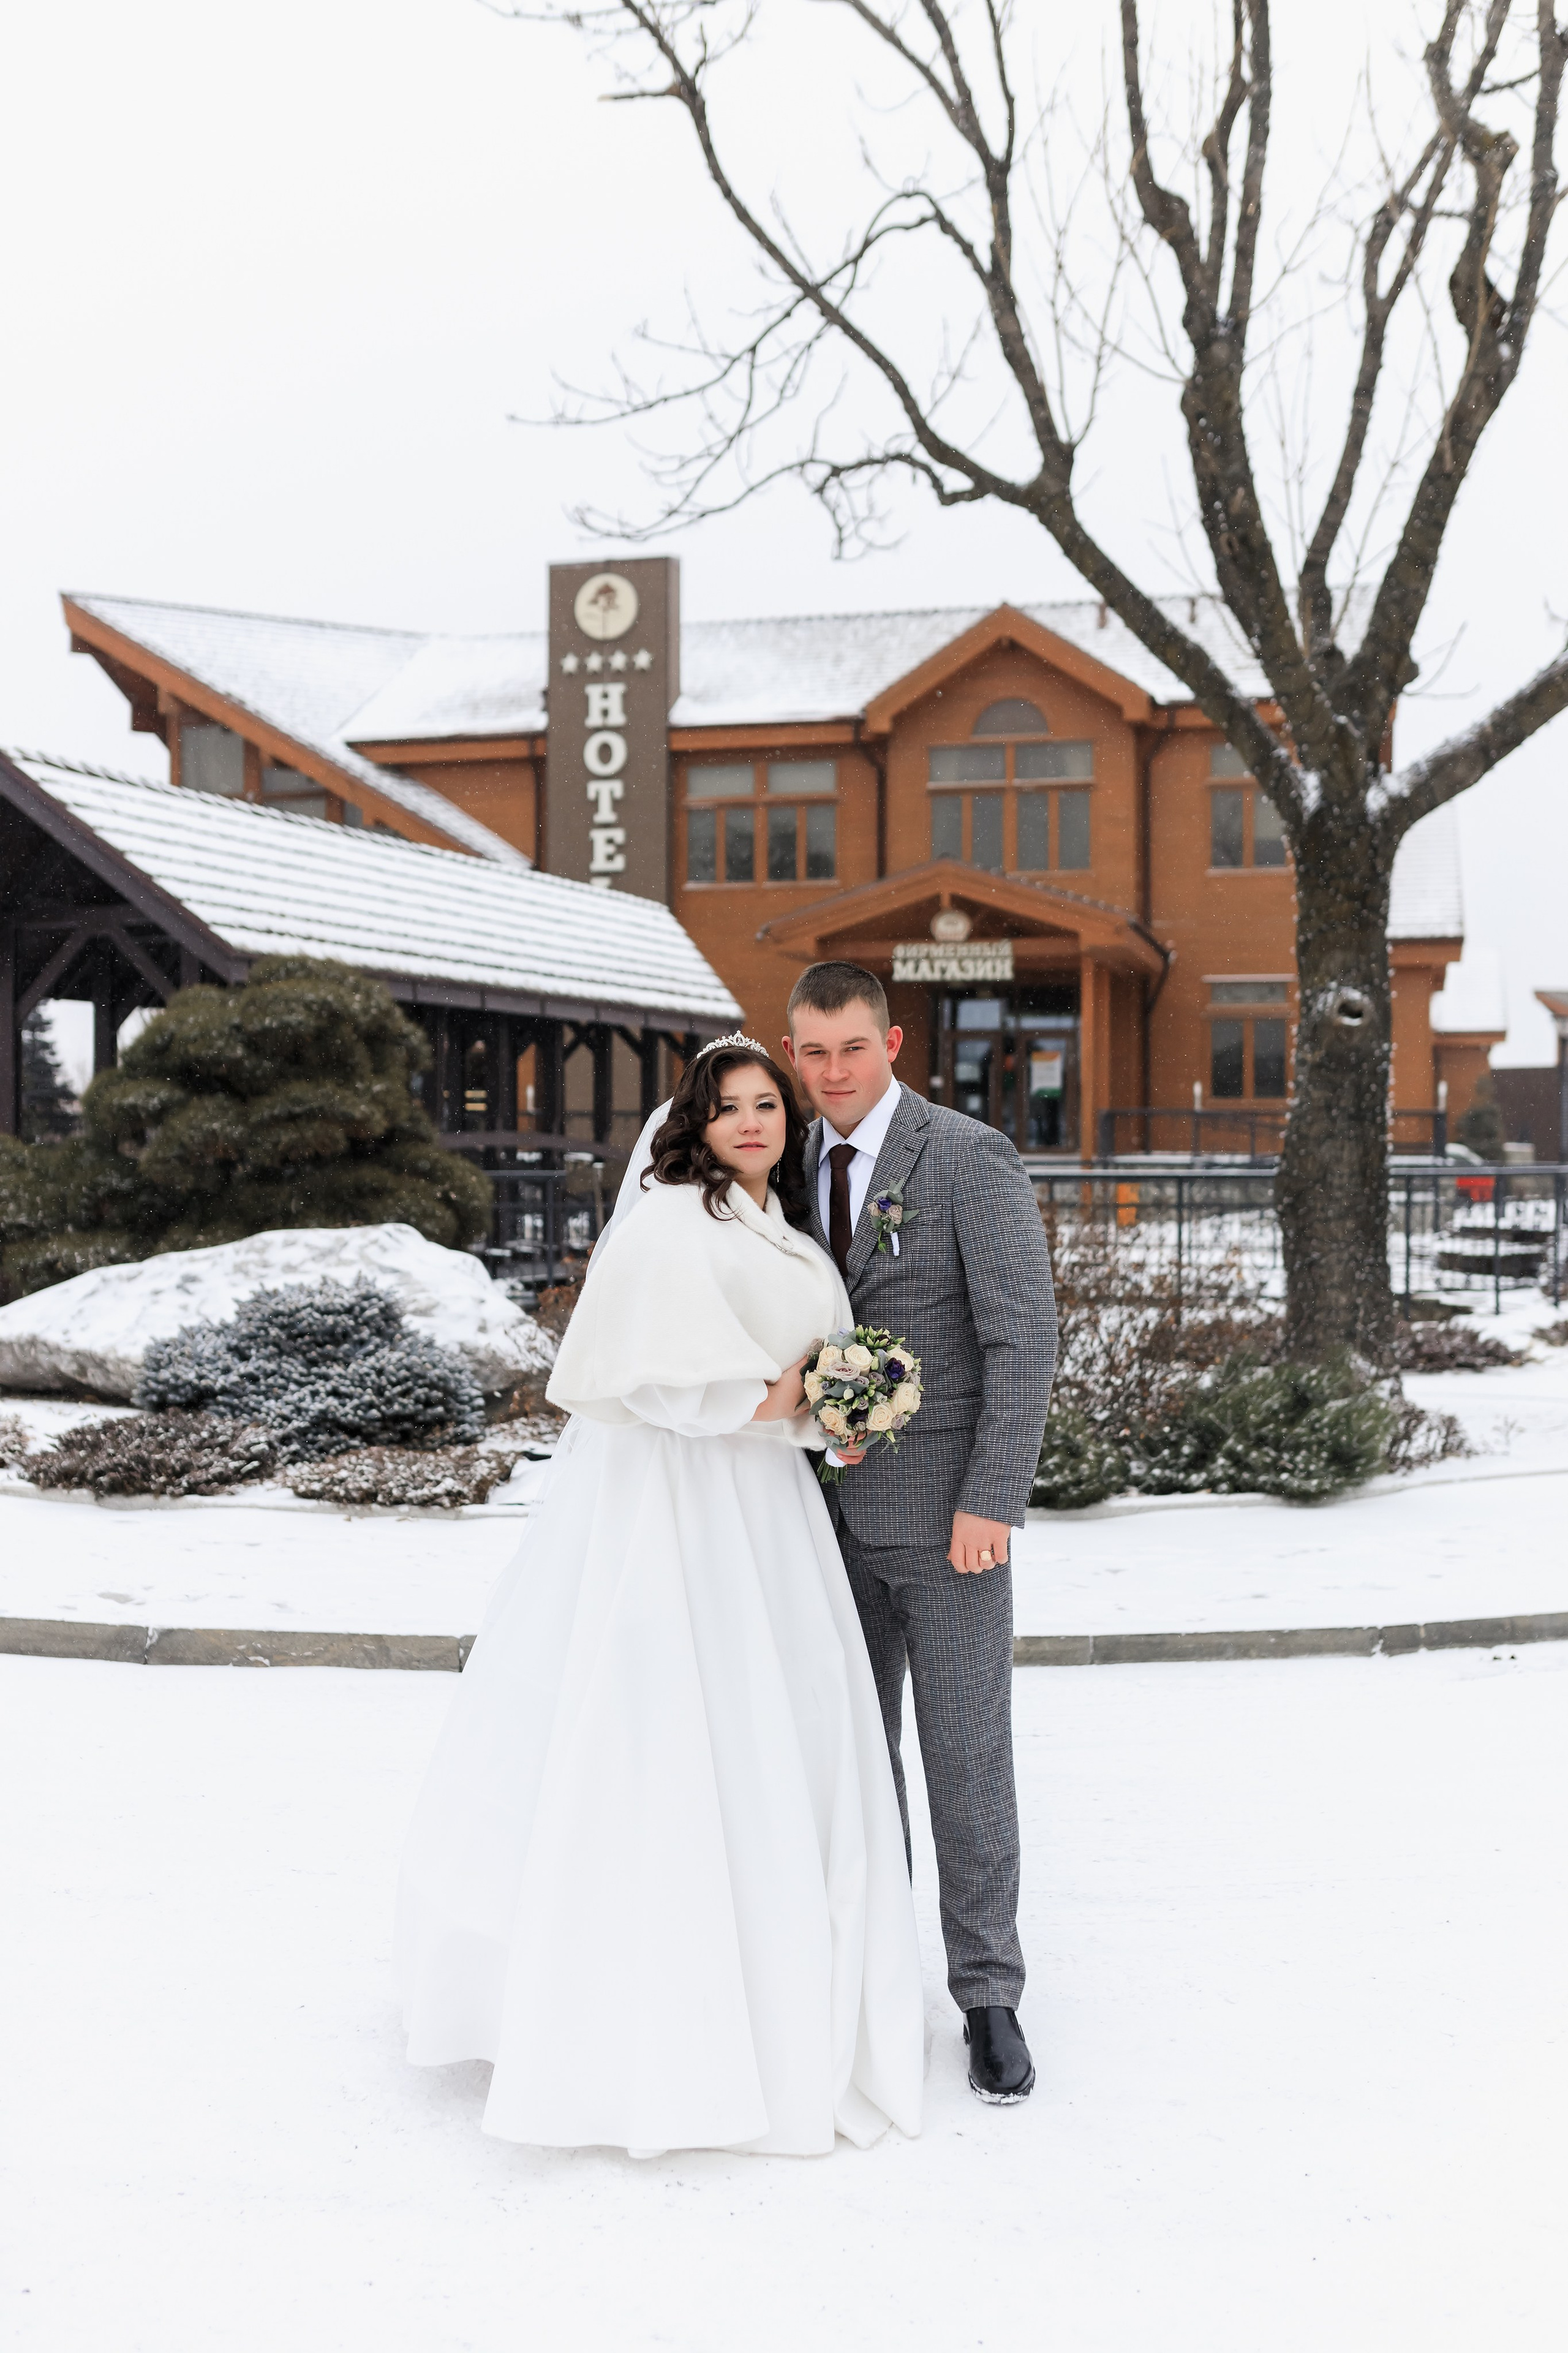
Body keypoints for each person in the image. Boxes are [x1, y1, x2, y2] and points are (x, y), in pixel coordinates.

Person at [395, 1036, 924, 2157]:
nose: (752, 1122)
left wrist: (847, 1404)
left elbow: (804, 1376)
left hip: (774, 1514)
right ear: (696, 1121)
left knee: (779, 1728)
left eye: (768, 1104)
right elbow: (672, 1389)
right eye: (730, 1107)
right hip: (682, 1510)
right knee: (669, 1723)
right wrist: (800, 1391)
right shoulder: (670, 1225)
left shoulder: (788, 1234)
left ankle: (773, 1978)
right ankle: (637, 2015)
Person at [782, 962, 1057, 2104]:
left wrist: (994, 1496)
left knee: (965, 1755)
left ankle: (988, 1993)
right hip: (814, 1524)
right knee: (852, 1758)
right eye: (813, 1051)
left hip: (950, 1525)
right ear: (792, 1053)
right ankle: (876, 1967)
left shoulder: (967, 1157)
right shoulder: (781, 1165)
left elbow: (1022, 1336)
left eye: (852, 1046)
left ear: (892, 1043)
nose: (833, 1070)